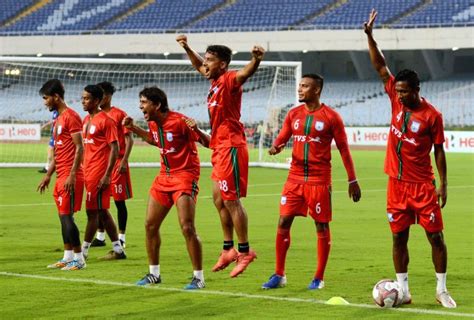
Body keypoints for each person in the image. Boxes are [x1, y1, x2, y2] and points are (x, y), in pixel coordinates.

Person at [364, 9, 456, 308]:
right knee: (398, 238)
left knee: (436, 238)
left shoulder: (432, 116)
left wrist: (442, 184)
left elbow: (439, 150)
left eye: (404, 92)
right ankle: (402, 290)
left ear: (417, 90)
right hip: (396, 185)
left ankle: (441, 289)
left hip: (422, 186)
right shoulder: (394, 97)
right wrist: (370, 36)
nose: (399, 96)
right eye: (398, 91)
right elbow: (381, 67)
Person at [261, 74, 362, 290]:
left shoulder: (331, 117)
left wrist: (352, 179)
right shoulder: (293, 114)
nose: (300, 90)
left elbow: (344, 150)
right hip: (294, 178)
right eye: (300, 86)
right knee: (283, 222)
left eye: (305, 86)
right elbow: (283, 136)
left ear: (316, 90)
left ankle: (318, 278)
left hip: (319, 180)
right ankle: (279, 274)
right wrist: (277, 145)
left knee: (321, 225)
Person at [177, 34, 265, 277]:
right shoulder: (213, 83)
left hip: (232, 147)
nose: (205, 64)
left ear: (223, 64)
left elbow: (244, 74)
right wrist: (187, 47)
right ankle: (228, 248)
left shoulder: (228, 80)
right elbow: (197, 65)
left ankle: (246, 251)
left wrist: (255, 60)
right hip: (219, 147)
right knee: (218, 199)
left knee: (232, 200)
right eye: (205, 60)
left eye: (210, 60)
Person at [124, 86, 209, 289]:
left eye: (144, 102)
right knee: (150, 225)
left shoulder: (180, 121)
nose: (140, 106)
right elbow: (155, 140)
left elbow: (209, 142)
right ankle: (154, 274)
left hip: (185, 176)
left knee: (187, 227)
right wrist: (134, 128)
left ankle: (199, 278)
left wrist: (196, 130)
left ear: (157, 104)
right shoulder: (153, 123)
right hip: (164, 177)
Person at [37, 79, 86, 270]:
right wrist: (48, 175)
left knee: (67, 217)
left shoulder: (71, 117)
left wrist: (73, 175)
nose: (45, 102)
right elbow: (59, 152)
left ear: (56, 97)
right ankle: (67, 256)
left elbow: (80, 148)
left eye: (46, 98)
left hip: (70, 175)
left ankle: (79, 259)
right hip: (60, 176)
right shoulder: (58, 119)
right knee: (62, 216)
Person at [80, 84, 126, 260]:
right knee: (102, 212)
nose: (83, 101)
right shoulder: (86, 120)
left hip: (99, 174)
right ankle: (118, 250)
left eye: (87, 98)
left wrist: (107, 175)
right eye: (82, 98)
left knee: (92, 213)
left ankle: (82, 253)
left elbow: (114, 148)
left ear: (97, 101)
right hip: (88, 172)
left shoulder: (106, 121)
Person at [91, 81, 133, 248]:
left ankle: (121, 237)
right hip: (101, 164)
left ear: (106, 96)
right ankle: (100, 237)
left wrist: (124, 161)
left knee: (119, 202)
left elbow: (129, 139)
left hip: (117, 163)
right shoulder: (95, 115)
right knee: (100, 202)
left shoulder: (119, 115)